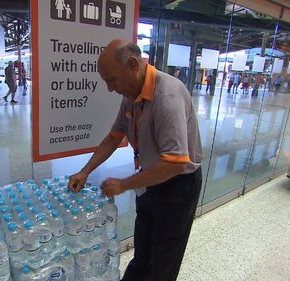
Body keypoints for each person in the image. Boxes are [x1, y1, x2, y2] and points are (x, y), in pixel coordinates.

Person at [68, 39, 203, 281]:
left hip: (176, 186)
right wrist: (85, 171)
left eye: (112, 79)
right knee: (143, 249)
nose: (110, 88)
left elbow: (175, 162)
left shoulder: (167, 96)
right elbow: (113, 137)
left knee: (164, 260)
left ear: (132, 64)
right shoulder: (131, 95)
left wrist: (123, 184)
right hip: (149, 179)